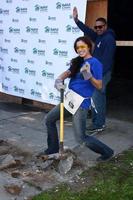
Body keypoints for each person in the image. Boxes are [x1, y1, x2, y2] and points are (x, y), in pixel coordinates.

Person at [40, 36, 114, 161]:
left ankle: (107, 152)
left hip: (81, 103)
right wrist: (59, 80)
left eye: (82, 46)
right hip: (70, 100)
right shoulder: (78, 61)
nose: (80, 49)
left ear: (89, 47)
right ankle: (52, 149)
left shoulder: (95, 63)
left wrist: (88, 75)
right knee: (49, 119)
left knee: (80, 138)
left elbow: (99, 86)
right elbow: (67, 73)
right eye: (78, 47)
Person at [73, 7, 116, 134]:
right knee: (95, 98)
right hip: (97, 73)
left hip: (102, 74)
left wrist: (97, 76)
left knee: (98, 98)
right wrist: (77, 21)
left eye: (100, 27)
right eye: (96, 27)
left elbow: (107, 61)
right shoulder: (99, 36)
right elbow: (88, 30)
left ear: (105, 26)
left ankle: (99, 124)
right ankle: (96, 121)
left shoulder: (109, 39)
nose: (98, 29)